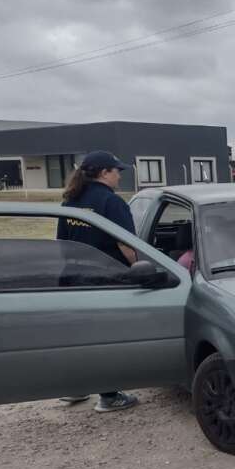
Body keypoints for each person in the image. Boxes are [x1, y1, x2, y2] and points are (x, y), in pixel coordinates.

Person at [55, 151, 140, 413]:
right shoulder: (111, 202)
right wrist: (140, 269)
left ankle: (76, 387)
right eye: (117, 171)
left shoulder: (70, 201)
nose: (119, 177)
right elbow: (126, 244)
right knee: (106, 338)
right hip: (105, 281)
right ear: (104, 173)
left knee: (79, 336)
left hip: (73, 279)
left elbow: (62, 243)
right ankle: (109, 396)